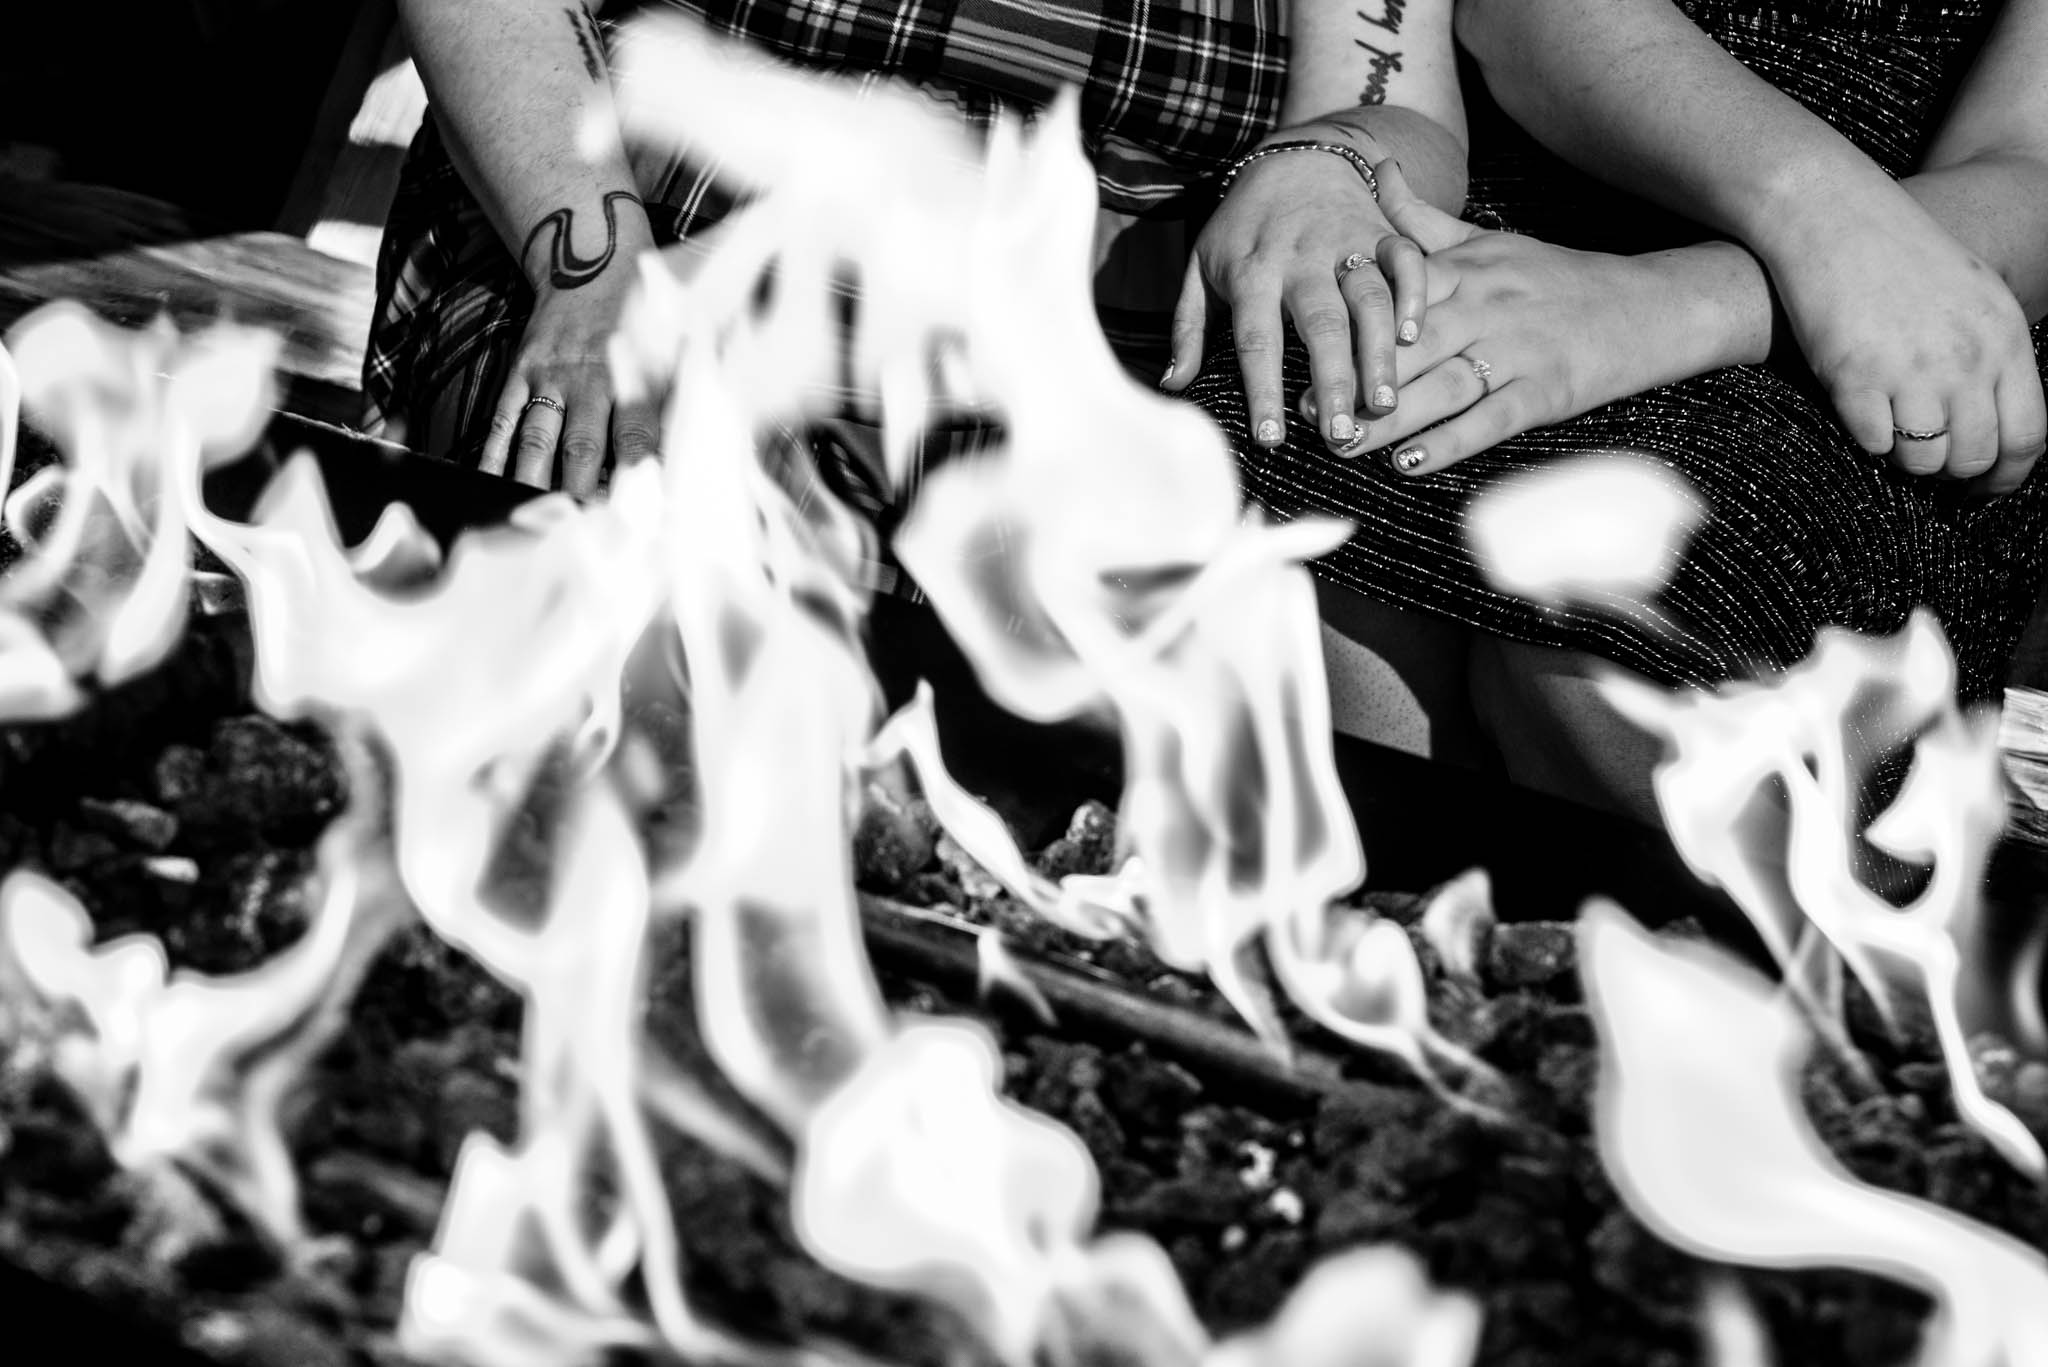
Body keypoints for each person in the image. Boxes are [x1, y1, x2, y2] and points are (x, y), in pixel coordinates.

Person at [1169, 0, 2048, 819]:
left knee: (1614, 641)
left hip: (1863, 343)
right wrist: (1333, 160)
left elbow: (2028, 170)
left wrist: (1669, 301)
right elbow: (1400, 82)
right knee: (1309, 514)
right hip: (1497, 257)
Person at [363, 0, 1471, 500]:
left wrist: (1336, 159)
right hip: (661, 249)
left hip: (1117, 371)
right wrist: (595, 273)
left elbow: (1394, 97)